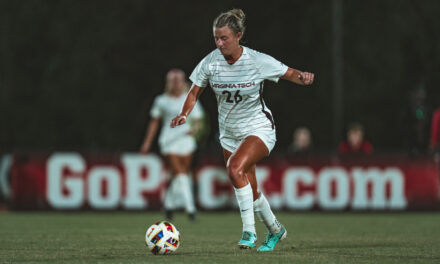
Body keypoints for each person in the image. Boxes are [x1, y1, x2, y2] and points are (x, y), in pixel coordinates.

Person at [170, 9, 314, 251]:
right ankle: (276, 230)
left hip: (258, 128)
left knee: (234, 168)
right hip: (229, 134)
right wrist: (184, 113)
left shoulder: (256, 61)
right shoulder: (210, 61)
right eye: (216, 38)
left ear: (238, 36)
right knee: (252, 190)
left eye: (224, 38)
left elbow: (289, 73)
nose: (219, 43)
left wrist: (304, 77)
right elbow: (194, 91)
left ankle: (249, 232)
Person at [140, 69, 203, 221]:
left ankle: (168, 205)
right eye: (173, 81)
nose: (176, 84)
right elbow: (154, 123)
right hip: (168, 141)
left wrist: (195, 129)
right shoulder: (161, 100)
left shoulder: (190, 98)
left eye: (178, 80)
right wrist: (147, 143)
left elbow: (198, 121)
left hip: (186, 140)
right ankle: (190, 209)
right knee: (180, 173)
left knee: (179, 175)